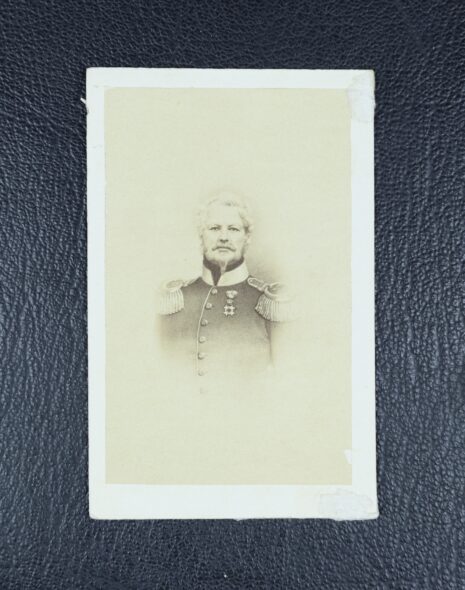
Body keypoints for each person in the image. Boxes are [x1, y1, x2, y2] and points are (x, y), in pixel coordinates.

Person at [156, 193, 294, 385]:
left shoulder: (272, 304)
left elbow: (286, 380)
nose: (223, 237)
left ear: (247, 238)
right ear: (201, 236)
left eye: (233, 229)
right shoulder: (173, 300)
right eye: (214, 228)